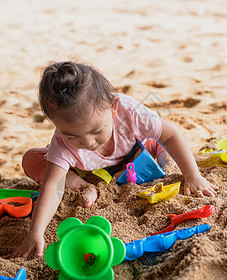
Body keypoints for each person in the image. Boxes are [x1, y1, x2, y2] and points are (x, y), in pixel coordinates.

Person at [12, 61, 218, 259]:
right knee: (31, 159)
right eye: (72, 136)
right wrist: (35, 232)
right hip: (86, 172)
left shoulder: (130, 114)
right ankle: (84, 187)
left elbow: (170, 134)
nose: (89, 142)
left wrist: (193, 175)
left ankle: (158, 155)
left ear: (113, 107)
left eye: (96, 130)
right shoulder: (61, 142)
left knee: (157, 142)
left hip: (130, 158)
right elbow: (52, 188)